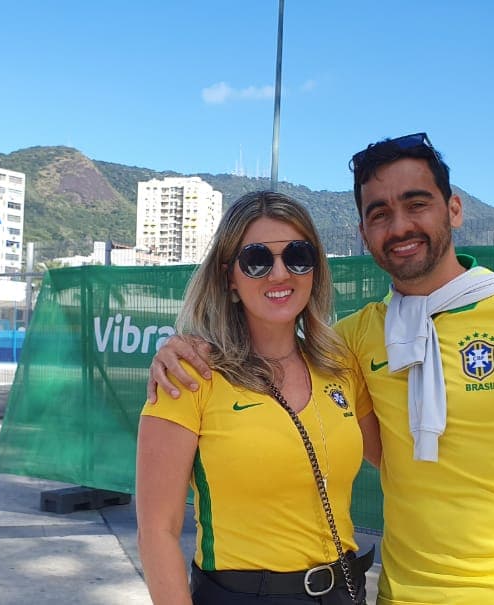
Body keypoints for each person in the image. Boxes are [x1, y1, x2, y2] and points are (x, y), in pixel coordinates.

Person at [149, 133, 494, 605]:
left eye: (417, 204)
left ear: (454, 209)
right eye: (379, 213)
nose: (399, 227)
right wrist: (179, 346)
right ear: (363, 232)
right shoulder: (351, 343)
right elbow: (384, 450)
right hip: (402, 593)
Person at [136, 191, 374, 605]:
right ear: (229, 276)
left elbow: (398, 459)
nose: (280, 273)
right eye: (257, 260)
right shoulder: (189, 374)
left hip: (342, 592)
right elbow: (157, 531)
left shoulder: (341, 367)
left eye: (297, 256)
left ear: (315, 268)